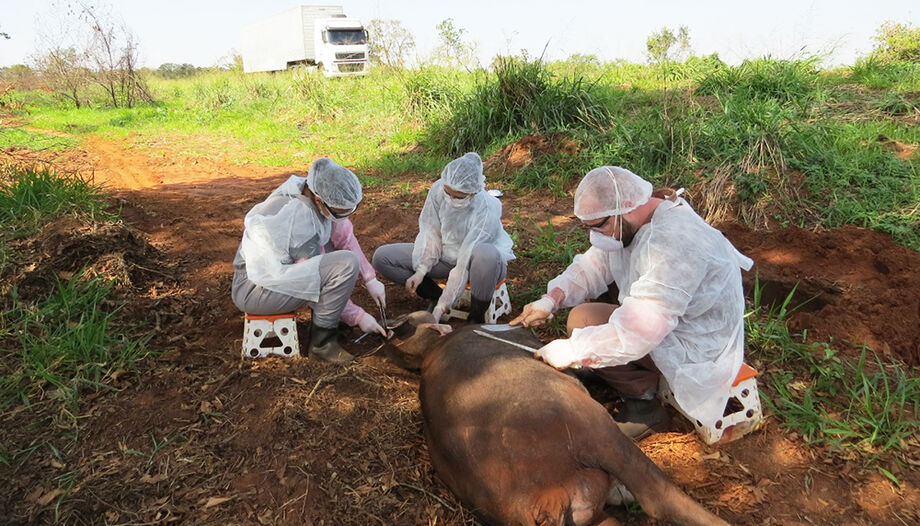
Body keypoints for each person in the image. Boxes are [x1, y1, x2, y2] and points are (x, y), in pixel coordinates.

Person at [510, 166, 753, 440]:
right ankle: (615, 371)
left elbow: (642, 329)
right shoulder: (634, 221)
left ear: (625, 206)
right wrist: (551, 299)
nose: (595, 235)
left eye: (599, 225)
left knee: (582, 321)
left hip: (695, 343)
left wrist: (576, 349)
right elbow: (593, 265)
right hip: (669, 320)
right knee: (589, 310)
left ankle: (644, 406)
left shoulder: (675, 242)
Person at [231, 158, 388, 364]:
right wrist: (358, 317)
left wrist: (370, 279)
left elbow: (344, 236)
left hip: (275, 275)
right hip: (255, 290)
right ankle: (322, 344)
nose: (344, 217)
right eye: (340, 212)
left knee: (338, 256)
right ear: (320, 201)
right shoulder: (299, 220)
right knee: (345, 265)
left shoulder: (314, 188)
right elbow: (312, 280)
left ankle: (328, 318)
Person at [372, 152, 514, 324]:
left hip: (481, 267)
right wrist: (421, 270)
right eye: (449, 193)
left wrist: (441, 308)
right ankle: (435, 295)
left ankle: (476, 317)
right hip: (447, 255)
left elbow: (465, 261)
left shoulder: (487, 208)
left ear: (474, 192)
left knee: (485, 254)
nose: (452, 200)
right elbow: (431, 231)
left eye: (459, 196)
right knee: (383, 257)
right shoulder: (438, 189)